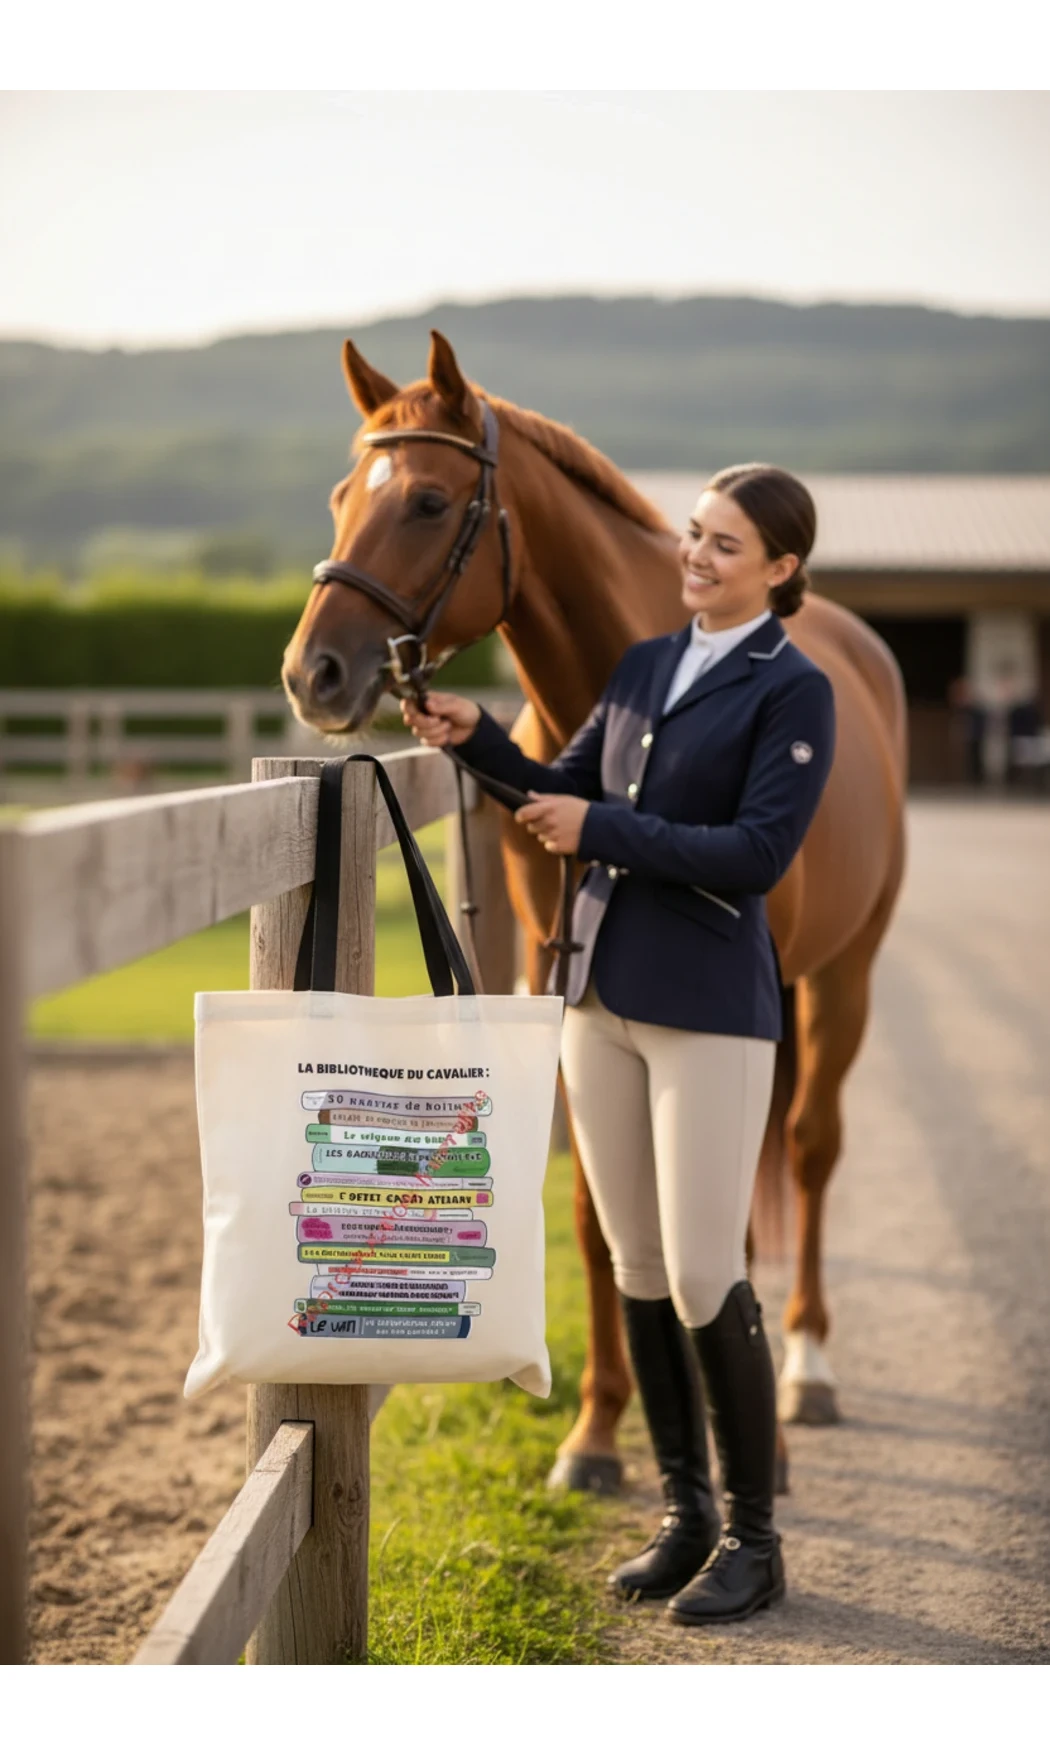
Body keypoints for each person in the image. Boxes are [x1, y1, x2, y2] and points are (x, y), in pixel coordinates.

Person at [402, 463, 836, 1626]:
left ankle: (755, 1536)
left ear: (781, 570)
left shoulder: (795, 692)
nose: (696, 557)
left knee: (703, 1270)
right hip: (597, 996)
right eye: (694, 535)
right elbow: (558, 787)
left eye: (725, 546)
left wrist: (604, 829)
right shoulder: (642, 668)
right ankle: (684, 1514)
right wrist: (477, 737)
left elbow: (754, 856)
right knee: (637, 1269)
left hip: (708, 1004)